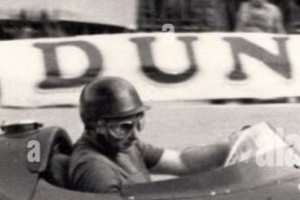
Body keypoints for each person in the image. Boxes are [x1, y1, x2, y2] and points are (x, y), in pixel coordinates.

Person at [67, 77, 236, 193]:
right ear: (97, 126)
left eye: (138, 124)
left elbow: (183, 161)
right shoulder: (95, 169)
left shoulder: (124, 145)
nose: (134, 135)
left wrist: (232, 146)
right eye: (123, 127)